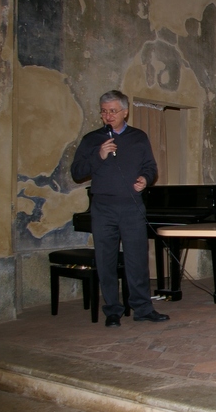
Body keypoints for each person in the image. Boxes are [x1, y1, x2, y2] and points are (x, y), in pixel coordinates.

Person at [71, 90, 169, 327]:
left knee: (137, 259)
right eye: (104, 111)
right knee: (106, 260)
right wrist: (99, 155)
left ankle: (142, 308)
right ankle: (112, 311)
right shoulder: (91, 140)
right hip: (103, 208)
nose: (108, 116)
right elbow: (77, 172)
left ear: (125, 112)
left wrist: (145, 180)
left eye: (113, 111)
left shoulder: (138, 138)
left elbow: (150, 167)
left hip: (131, 207)